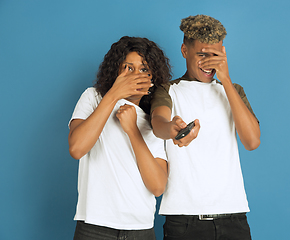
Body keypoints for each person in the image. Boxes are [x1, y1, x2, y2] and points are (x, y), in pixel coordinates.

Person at [150, 15, 261, 240]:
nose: (209, 62)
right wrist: (172, 128)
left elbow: (252, 142)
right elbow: (157, 123)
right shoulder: (168, 90)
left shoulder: (233, 91)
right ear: (184, 50)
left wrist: (227, 80)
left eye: (215, 55)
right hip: (184, 221)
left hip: (233, 217)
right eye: (202, 55)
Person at [68, 36, 171, 240]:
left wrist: (132, 130)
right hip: (94, 227)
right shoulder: (93, 98)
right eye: (128, 68)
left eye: (143, 69)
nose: (135, 75)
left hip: (140, 230)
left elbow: (158, 186)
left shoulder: (155, 119)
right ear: (116, 71)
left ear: (153, 78)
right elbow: (77, 148)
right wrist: (113, 95)